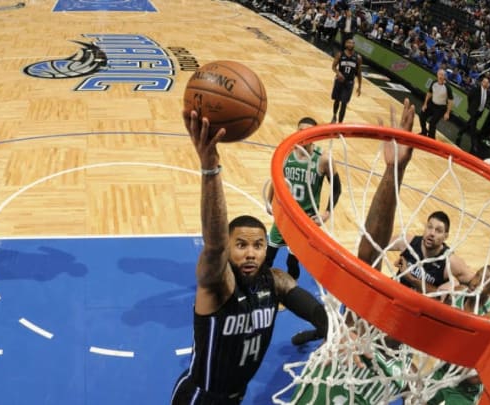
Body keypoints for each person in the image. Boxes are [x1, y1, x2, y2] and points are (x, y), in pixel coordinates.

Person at [170, 110, 329, 404]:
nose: (251, 253)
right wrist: (210, 169)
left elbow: (318, 313)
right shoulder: (219, 284)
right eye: (240, 245)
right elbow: (214, 244)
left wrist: (337, 332)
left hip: (236, 397)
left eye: (258, 245)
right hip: (199, 397)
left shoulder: (275, 281)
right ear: (229, 250)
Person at [292, 98, 418, 404]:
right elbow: (370, 255)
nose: (392, 312)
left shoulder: (409, 374)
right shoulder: (360, 333)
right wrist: (394, 172)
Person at [265, 116, 342, 282]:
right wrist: (269, 202)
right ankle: (261, 289)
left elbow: (337, 188)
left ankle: (289, 292)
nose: (303, 134)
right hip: (284, 217)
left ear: (315, 135)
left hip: (305, 221)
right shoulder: (285, 154)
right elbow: (276, 179)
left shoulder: (323, 159)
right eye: (300, 131)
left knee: (292, 262)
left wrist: (327, 213)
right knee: (267, 257)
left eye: (308, 131)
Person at [427, 264, 490, 405]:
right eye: (477, 275)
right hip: (443, 370)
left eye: (484, 281)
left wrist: (475, 376)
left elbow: (489, 361)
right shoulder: (457, 295)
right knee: (419, 399)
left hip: (466, 386)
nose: (476, 282)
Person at [389, 211, 475, 294]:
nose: (432, 233)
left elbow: (476, 283)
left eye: (438, 230)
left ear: (445, 236)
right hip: (395, 294)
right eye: (429, 227)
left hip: (421, 306)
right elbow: (377, 243)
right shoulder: (407, 242)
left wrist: (455, 289)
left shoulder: (450, 262)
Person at [456, 76, 490, 155]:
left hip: (479, 112)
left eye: (487, 83)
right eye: (484, 82)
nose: (485, 84)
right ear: (482, 82)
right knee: (473, 127)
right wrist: (471, 106)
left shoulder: (488, 93)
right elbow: (469, 96)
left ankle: (461, 132)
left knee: (469, 123)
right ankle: (474, 145)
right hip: (474, 111)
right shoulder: (476, 89)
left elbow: (488, 101)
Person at [330, 38, 362, 124]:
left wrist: (359, 86)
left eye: (352, 43)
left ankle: (340, 123)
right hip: (339, 81)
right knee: (337, 100)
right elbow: (333, 67)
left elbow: (359, 73)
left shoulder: (358, 58)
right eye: (349, 43)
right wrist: (338, 73)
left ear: (354, 45)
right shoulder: (340, 54)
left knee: (344, 103)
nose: (351, 44)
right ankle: (334, 116)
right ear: (346, 45)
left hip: (349, 83)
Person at [419, 69, 453, 139]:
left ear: (444, 77)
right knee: (422, 116)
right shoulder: (434, 83)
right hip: (432, 104)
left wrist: (447, 113)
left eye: (442, 75)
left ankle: (431, 138)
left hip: (441, 108)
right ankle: (424, 132)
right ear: (437, 75)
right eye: (439, 74)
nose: (440, 76)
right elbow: (429, 93)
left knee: (432, 123)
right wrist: (425, 104)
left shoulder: (447, 87)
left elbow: (450, 101)